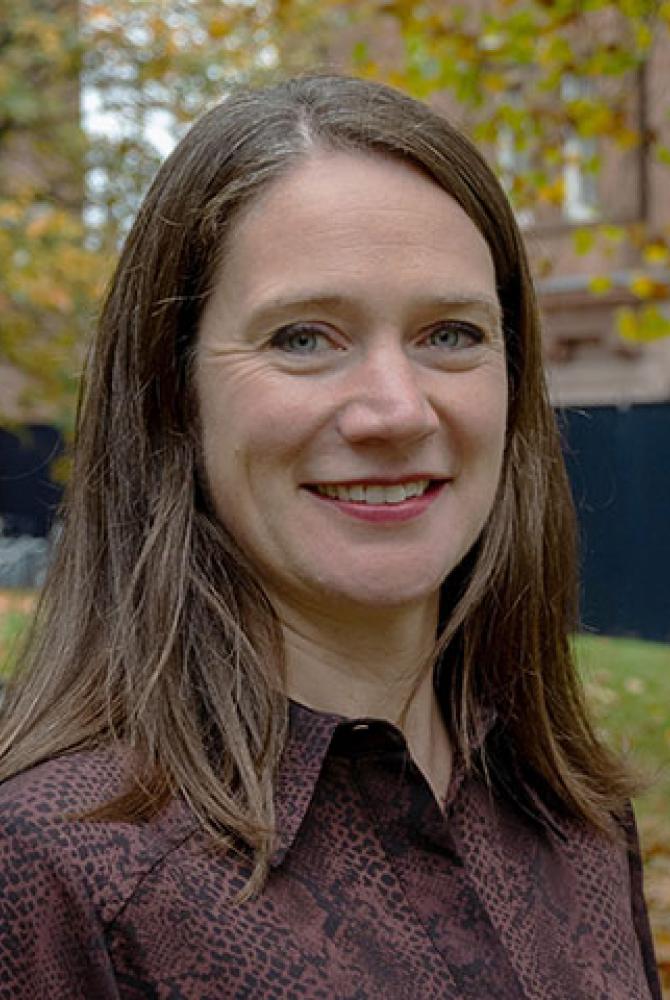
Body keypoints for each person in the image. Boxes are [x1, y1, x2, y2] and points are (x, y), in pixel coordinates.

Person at [0, 73, 661, 1000]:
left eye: (450, 333)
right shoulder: (56, 871)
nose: (395, 410)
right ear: (174, 399)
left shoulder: (574, 816)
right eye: (304, 338)